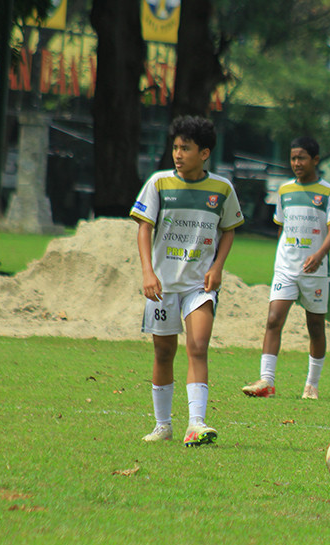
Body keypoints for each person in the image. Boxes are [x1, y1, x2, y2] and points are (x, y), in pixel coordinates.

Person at [131, 115, 243, 446]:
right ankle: (163, 425)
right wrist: (148, 271)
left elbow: (228, 230)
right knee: (164, 352)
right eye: (176, 147)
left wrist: (217, 266)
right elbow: (144, 228)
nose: (178, 154)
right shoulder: (159, 183)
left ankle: (196, 423)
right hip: (163, 285)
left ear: (204, 153)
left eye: (186, 148)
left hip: (199, 286)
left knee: (198, 346)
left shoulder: (222, 189)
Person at [242, 137, 330, 400]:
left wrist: (319, 255)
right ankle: (266, 381)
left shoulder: (329, 193)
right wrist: (284, 255)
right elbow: (282, 226)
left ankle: (312, 384)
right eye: (293, 158)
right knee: (273, 319)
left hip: (315, 271)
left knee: (316, 326)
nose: (296, 163)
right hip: (285, 268)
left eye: (301, 158)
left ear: (315, 160)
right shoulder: (284, 190)